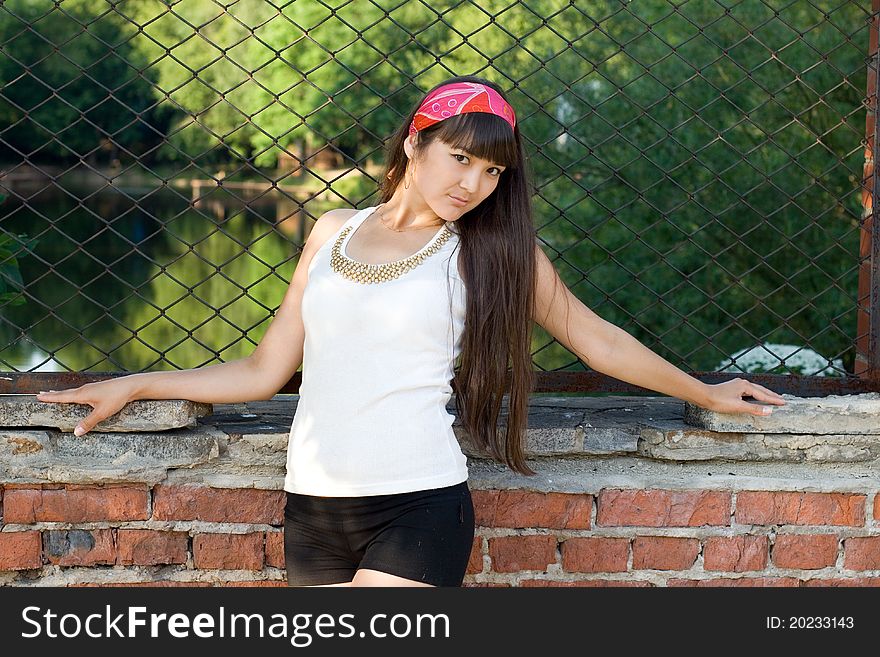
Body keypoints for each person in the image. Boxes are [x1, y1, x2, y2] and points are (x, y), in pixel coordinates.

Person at [35, 74, 787, 588]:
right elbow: (264, 370)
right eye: (459, 158)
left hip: (418, 504)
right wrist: (136, 380)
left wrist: (707, 394)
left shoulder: (495, 251)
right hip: (313, 507)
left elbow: (599, 341)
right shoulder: (332, 229)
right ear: (413, 145)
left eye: (493, 172)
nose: (473, 183)